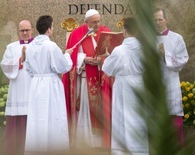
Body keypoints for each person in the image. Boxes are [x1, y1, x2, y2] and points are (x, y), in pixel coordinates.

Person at [62, 9, 112, 148]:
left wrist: (101, 60)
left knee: (99, 110)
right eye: (94, 22)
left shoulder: (105, 31)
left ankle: (99, 142)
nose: (97, 24)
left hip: (100, 76)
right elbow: (71, 55)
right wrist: (84, 60)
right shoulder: (77, 34)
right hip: (84, 79)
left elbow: (111, 54)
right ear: (86, 22)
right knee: (84, 108)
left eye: (98, 21)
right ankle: (84, 140)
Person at [23, 15, 73, 154]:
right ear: (49, 29)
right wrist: (67, 55)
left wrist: (38, 76)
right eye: (53, 26)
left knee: (37, 119)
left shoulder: (30, 46)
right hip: (51, 85)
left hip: (36, 85)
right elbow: (61, 67)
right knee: (54, 117)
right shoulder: (51, 46)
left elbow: (28, 69)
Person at [102, 17, 149, 155]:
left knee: (121, 118)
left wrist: (107, 56)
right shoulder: (144, 49)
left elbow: (107, 69)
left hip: (123, 85)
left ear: (124, 31)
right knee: (138, 119)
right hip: (139, 84)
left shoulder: (119, 50)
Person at [154, 8, 189, 145]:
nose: (157, 22)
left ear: (167, 20)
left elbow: (183, 59)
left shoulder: (176, 38)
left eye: (160, 19)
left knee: (173, 117)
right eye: (155, 20)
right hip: (154, 82)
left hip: (170, 81)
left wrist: (165, 55)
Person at [0, 20, 34, 155]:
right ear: (18, 32)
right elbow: (5, 65)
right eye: (22, 31)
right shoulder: (11, 47)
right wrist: (21, 59)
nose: (25, 33)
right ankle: (16, 150)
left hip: (34, 87)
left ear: (32, 30)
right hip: (18, 87)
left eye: (27, 30)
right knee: (18, 119)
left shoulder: (40, 46)